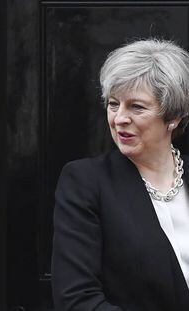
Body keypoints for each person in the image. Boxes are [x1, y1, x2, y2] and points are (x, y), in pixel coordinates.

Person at [52, 39, 189, 310]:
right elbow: (77, 299)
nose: (119, 118)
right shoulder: (85, 182)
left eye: (136, 107)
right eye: (114, 104)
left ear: (173, 116)